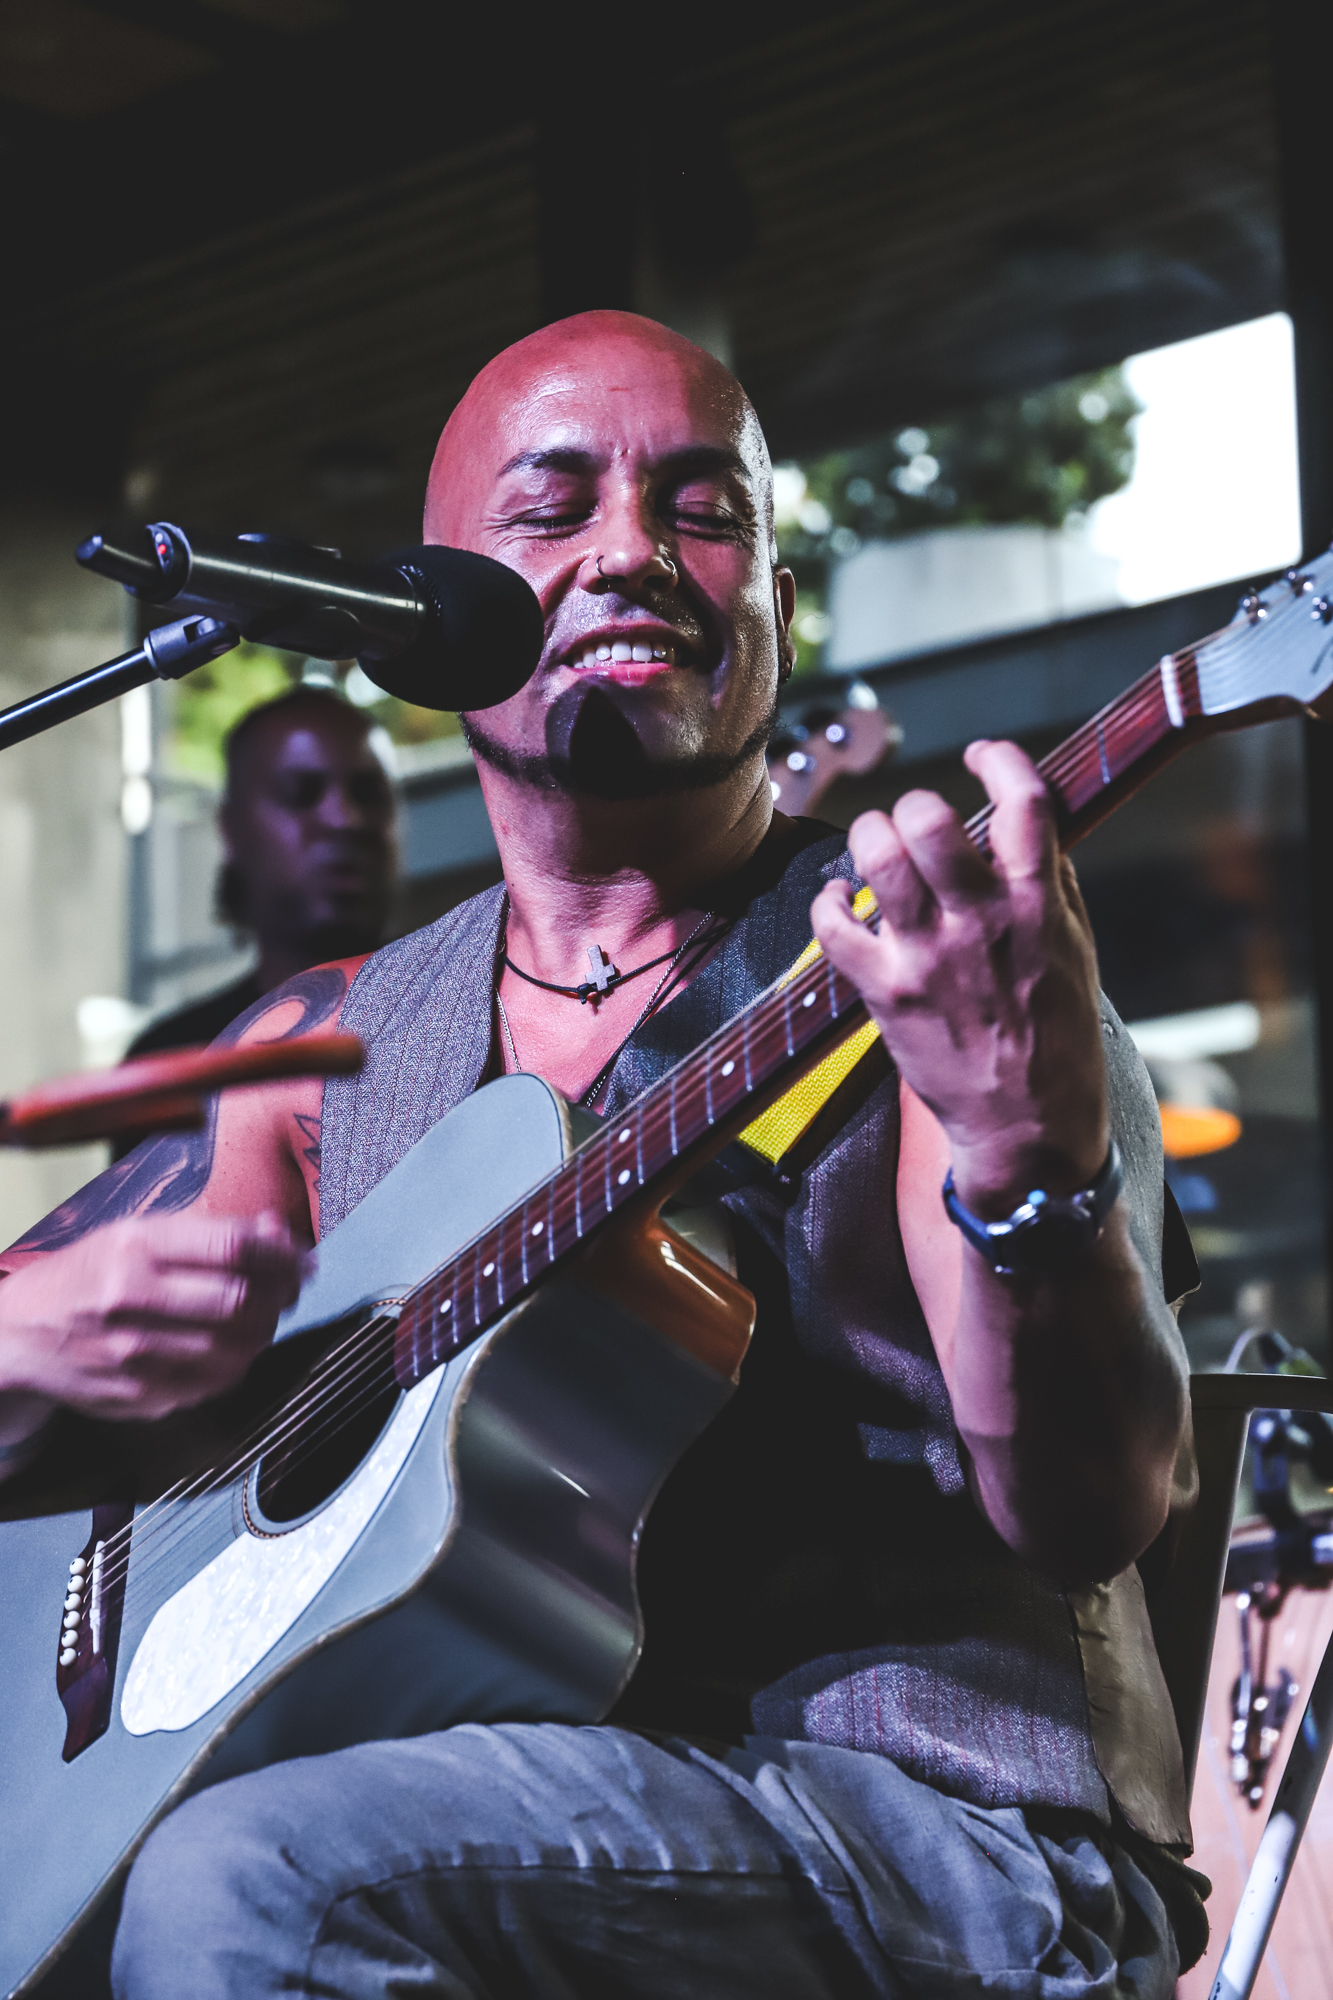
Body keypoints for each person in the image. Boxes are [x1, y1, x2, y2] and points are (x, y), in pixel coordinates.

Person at [0, 312, 1203, 1998]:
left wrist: (1019, 1138)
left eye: (703, 512)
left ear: (777, 611)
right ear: (432, 619)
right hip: (453, 1817)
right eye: (551, 508)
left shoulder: (923, 968)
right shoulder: (327, 1049)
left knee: (253, 1879)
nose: (630, 550)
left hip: (937, 1841)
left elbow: (1088, 1506)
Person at [125, 686, 397, 1060]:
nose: (345, 819)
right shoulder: (171, 1062)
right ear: (231, 828)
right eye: (300, 792)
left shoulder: (462, 1015)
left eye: (368, 792)